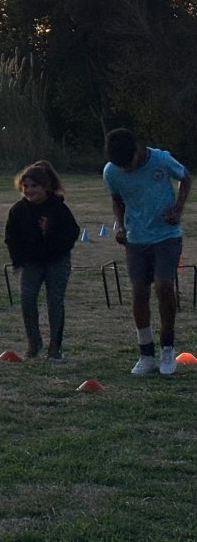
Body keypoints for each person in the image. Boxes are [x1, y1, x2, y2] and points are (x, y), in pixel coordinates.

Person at [103, 128, 191, 376]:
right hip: (136, 240)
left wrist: (178, 208)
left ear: (138, 150)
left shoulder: (161, 160)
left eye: (128, 164)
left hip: (166, 236)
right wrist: (120, 225)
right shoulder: (111, 172)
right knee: (139, 291)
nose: (125, 170)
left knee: (164, 286)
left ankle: (167, 347)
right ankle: (146, 353)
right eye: (120, 166)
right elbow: (117, 199)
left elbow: (186, 177)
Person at [4, 160, 80, 361]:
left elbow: (72, 234)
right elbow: (11, 237)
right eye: (25, 186)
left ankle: (55, 347)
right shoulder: (18, 210)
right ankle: (34, 342)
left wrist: (50, 232)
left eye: (34, 186)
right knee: (27, 300)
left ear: (45, 186)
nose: (29, 190)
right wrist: (18, 260)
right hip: (31, 263)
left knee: (55, 302)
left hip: (57, 261)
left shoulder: (58, 209)